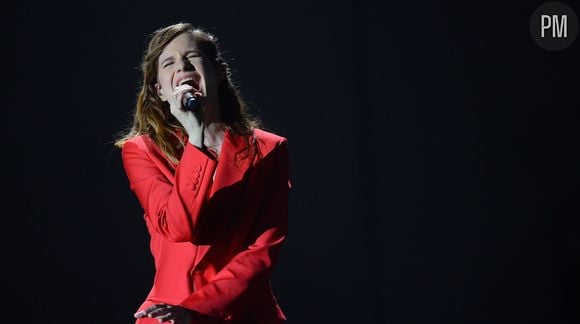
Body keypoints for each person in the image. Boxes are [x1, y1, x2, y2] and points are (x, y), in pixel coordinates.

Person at [114, 22, 291, 324]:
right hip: (168, 313)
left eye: (192, 58)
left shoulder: (268, 149)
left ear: (219, 72)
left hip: (243, 312)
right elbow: (180, 228)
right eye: (169, 63)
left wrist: (199, 308)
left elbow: (262, 250)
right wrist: (195, 139)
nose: (182, 67)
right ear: (160, 90)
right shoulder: (142, 151)